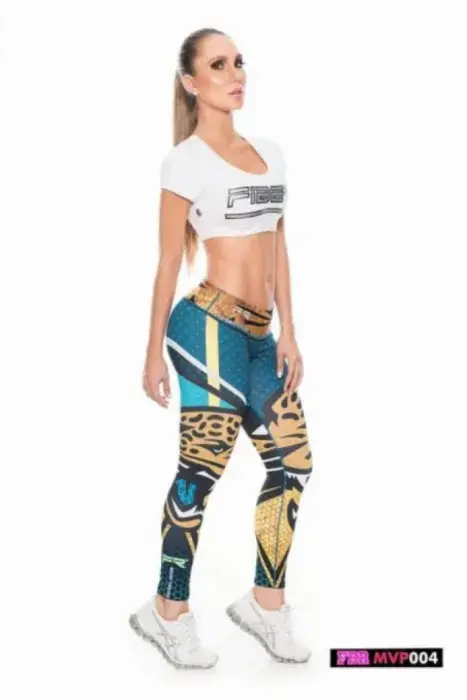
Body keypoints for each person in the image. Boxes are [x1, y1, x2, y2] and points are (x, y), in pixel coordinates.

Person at [129, 27, 314, 670]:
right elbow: (165, 261)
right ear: (191, 82)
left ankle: (265, 604)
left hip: (263, 337)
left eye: (238, 62)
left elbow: (278, 244)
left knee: (293, 464)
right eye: (218, 65)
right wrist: (151, 352)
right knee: (199, 473)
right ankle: (166, 612)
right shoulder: (184, 162)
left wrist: (290, 329)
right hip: (205, 328)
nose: (235, 74)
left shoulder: (271, 154)